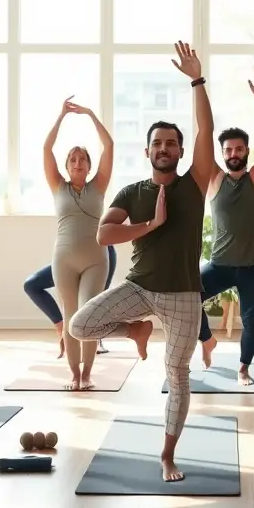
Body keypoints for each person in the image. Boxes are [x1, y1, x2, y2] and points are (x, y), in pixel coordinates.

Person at [70, 40, 216, 483]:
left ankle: (167, 455)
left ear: (180, 150)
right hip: (140, 287)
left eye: (172, 143)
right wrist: (150, 225)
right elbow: (104, 234)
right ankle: (136, 327)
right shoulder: (133, 192)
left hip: (185, 296)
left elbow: (208, 131)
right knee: (80, 326)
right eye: (158, 143)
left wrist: (197, 79)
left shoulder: (194, 183)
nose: (165, 148)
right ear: (148, 150)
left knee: (178, 374)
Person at [196, 65, 254, 379]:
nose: (233, 153)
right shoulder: (215, 178)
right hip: (220, 264)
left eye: (238, 149)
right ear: (223, 153)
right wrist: (197, 83)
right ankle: (207, 339)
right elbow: (203, 131)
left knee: (251, 317)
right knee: (189, 297)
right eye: (228, 150)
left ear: (246, 151)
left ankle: (244, 368)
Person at [43, 96, 115, 390]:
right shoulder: (57, 185)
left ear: (88, 165)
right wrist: (61, 116)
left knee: (88, 315)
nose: (77, 162)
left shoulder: (99, 185)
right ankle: (74, 374)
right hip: (63, 260)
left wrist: (90, 115)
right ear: (67, 165)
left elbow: (109, 146)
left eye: (82, 159)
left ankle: (88, 374)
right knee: (70, 316)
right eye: (72, 159)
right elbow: (46, 148)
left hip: (95, 259)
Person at [23, 251, 116, 358]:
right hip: (73, 255)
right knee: (31, 285)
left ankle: (93, 336)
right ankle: (62, 330)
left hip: (101, 255)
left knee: (90, 301)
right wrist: (62, 328)